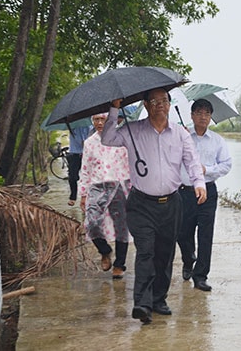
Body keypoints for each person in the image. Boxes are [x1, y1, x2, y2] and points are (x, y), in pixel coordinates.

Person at [102, 88, 206, 324]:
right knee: (146, 251)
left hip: (171, 203)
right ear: (146, 105)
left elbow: (192, 161)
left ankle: (159, 299)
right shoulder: (133, 130)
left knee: (165, 254)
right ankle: (142, 303)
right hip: (141, 204)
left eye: (164, 100)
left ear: (170, 104)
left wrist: (199, 183)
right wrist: (114, 108)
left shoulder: (180, 133)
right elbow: (107, 139)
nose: (160, 104)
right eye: (154, 101)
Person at [177, 99, 232, 292]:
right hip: (184, 192)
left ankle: (200, 276)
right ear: (191, 115)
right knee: (183, 232)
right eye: (199, 112)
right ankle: (187, 259)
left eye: (207, 113)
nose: (203, 116)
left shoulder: (217, 140)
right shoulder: (182, 136)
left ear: (211, 117)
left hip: (208, 191)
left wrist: (206, 169)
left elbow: (226, 164)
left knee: (205, 234)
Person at [78, 113, 131, 279]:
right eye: (96, 120)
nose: (99, 123)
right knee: (91, 223)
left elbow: (132, 163)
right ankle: (105, 250)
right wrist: (83, 194)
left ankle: (119, 264)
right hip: (97, 186)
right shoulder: (89, 143)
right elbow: (85, 169)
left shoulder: (121, 138)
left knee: (121, 226)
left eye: (103, 119)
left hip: (119, 184)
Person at [66, 125, 91, 206]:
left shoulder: (89, 125)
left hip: (87, 154)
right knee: (72, 176)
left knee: (88, 176)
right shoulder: (72, 125)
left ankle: (87, 196)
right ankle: (73, 197)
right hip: (74, 153)